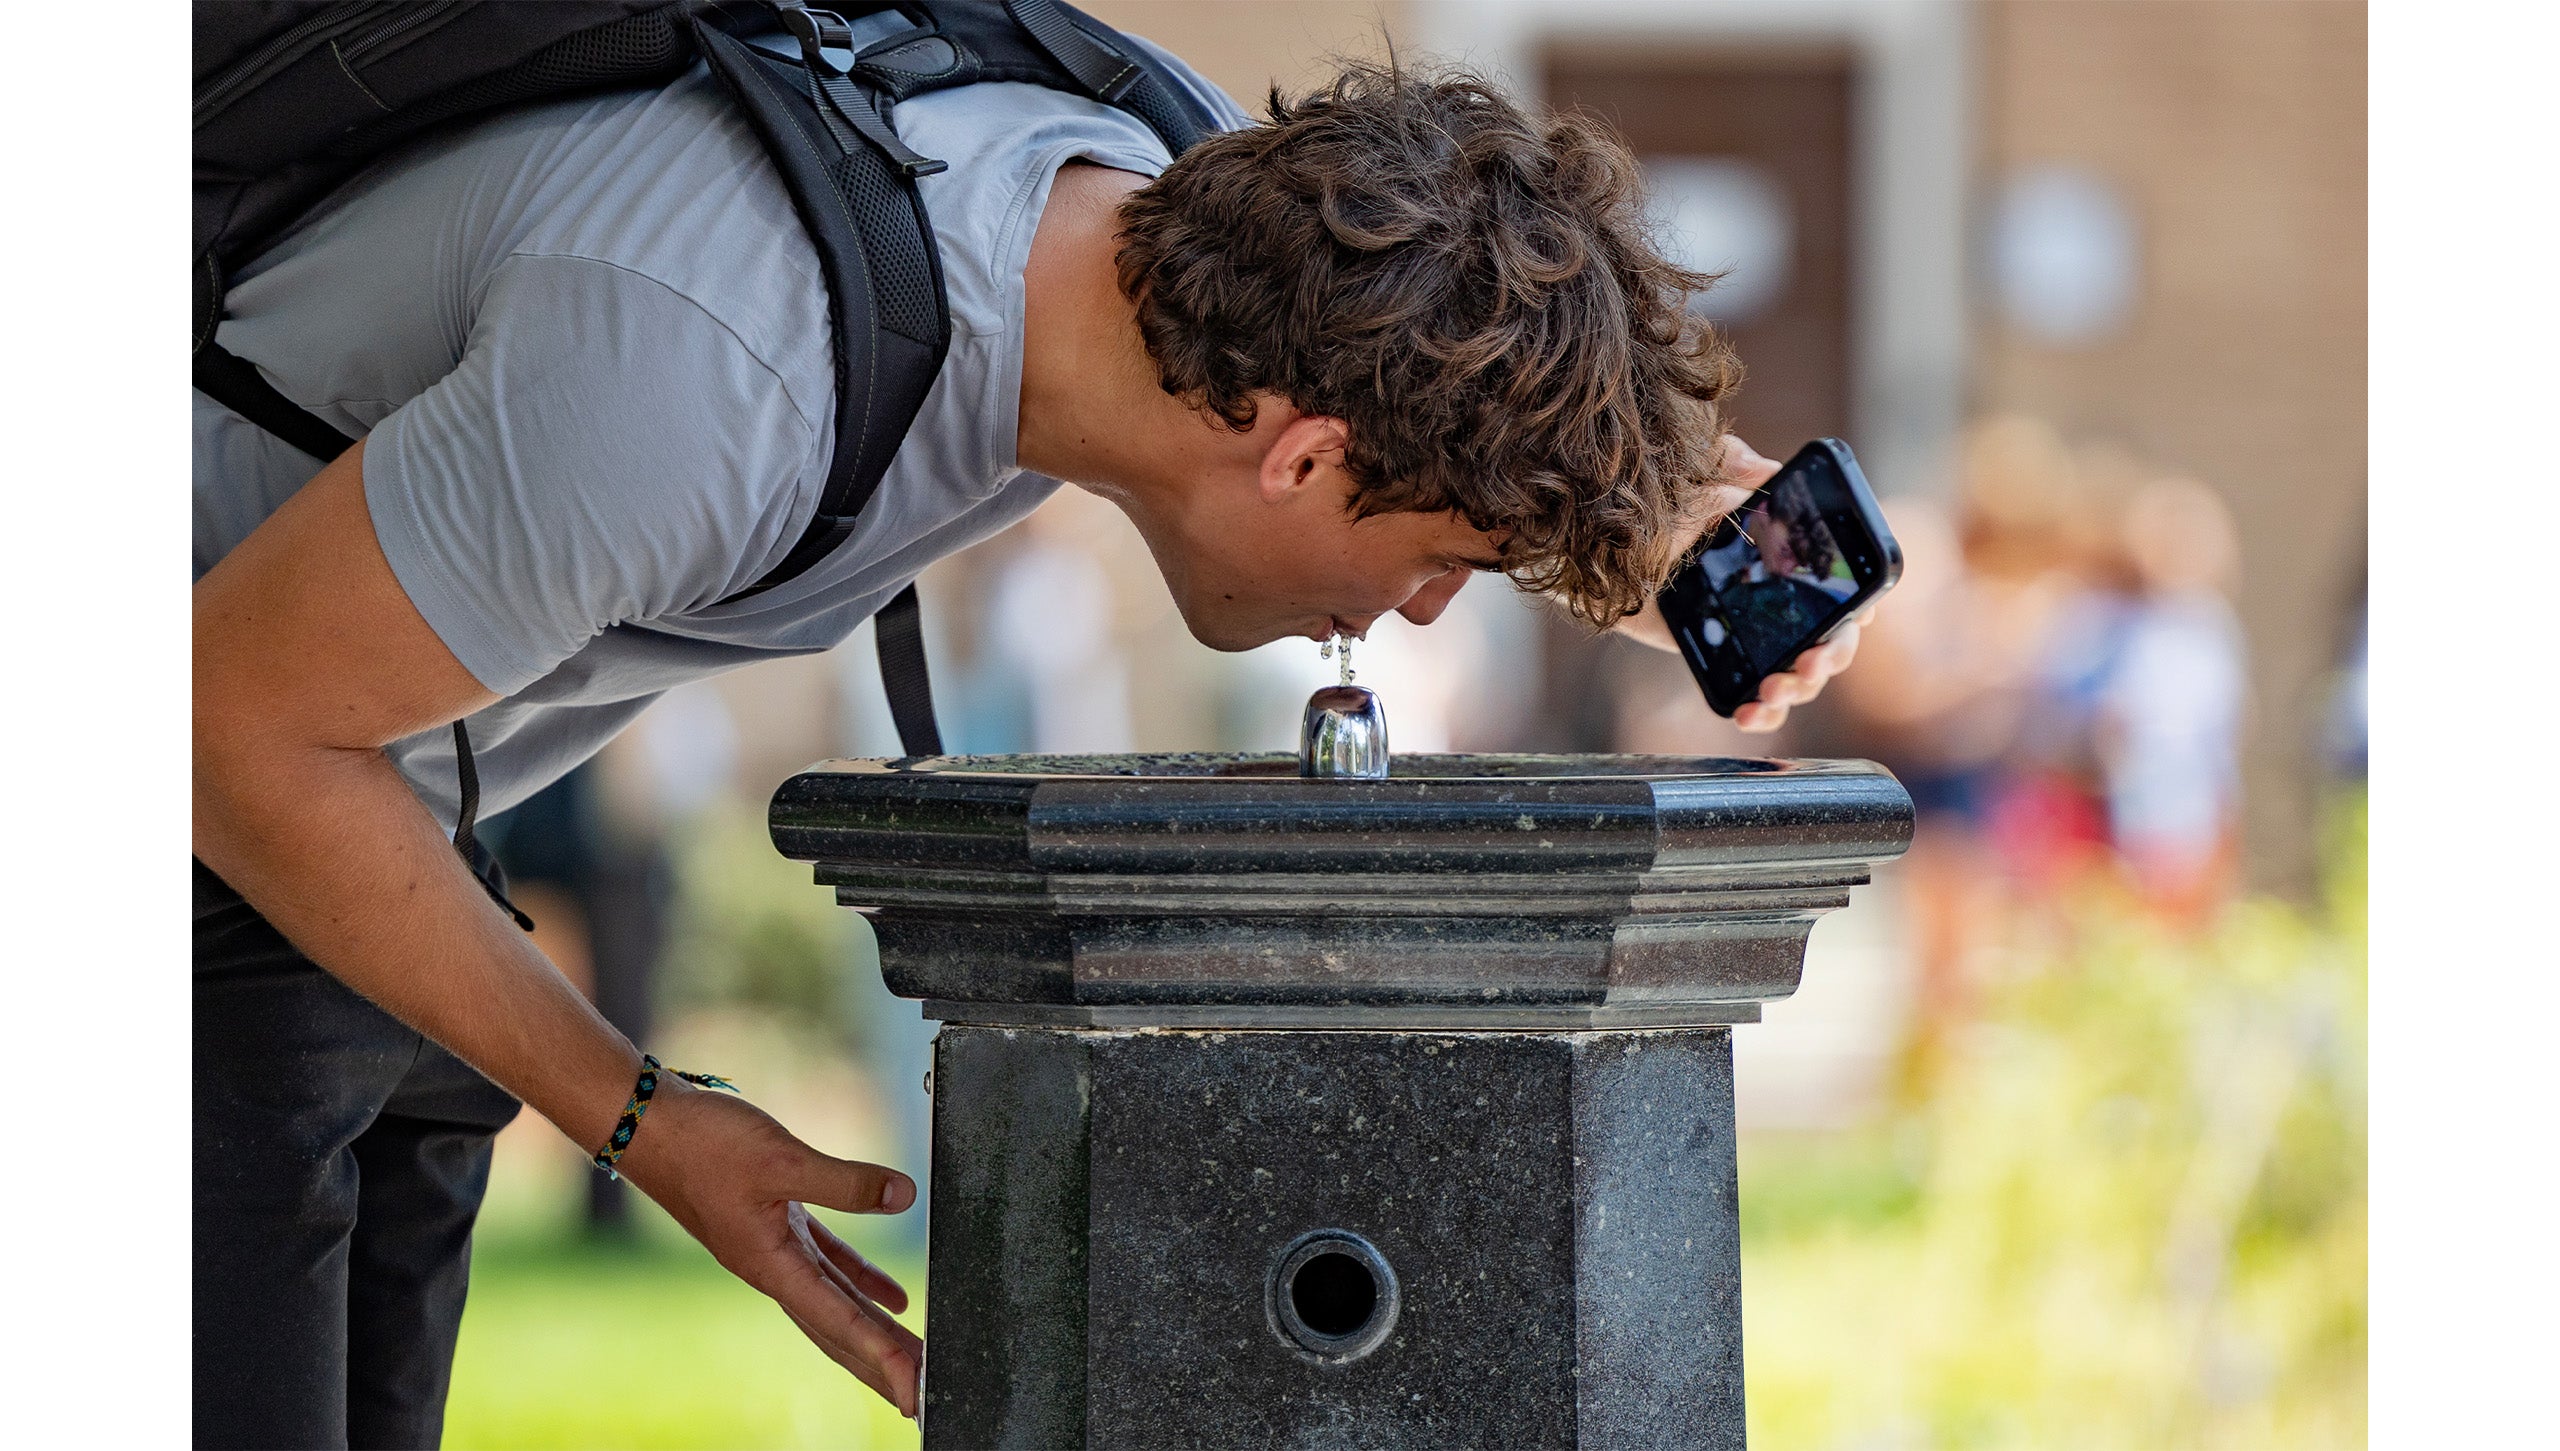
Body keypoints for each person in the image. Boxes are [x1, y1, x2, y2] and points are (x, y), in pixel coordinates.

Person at [191, 19, 1864, 1444]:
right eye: (1435, 566)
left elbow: (1447, 385)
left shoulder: (1180, 193)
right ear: (1297, 459)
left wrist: (1629, 544)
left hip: (365, 797)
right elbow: (216, 726)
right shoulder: (717, 374)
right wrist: (640, 1114)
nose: (1425, 614)